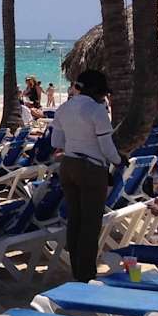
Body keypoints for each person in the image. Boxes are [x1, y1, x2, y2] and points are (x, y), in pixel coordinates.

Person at [50, 70, 122, 282]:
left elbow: (56, 142)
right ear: (95, 90)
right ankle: (86, 275)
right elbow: (106, 147)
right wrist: (119, 161)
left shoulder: (63, 108)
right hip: (91, 168)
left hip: (68, 165)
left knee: (75, 219)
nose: (104, 97)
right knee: (90, 223)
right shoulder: (97, 110)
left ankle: (76, 270)